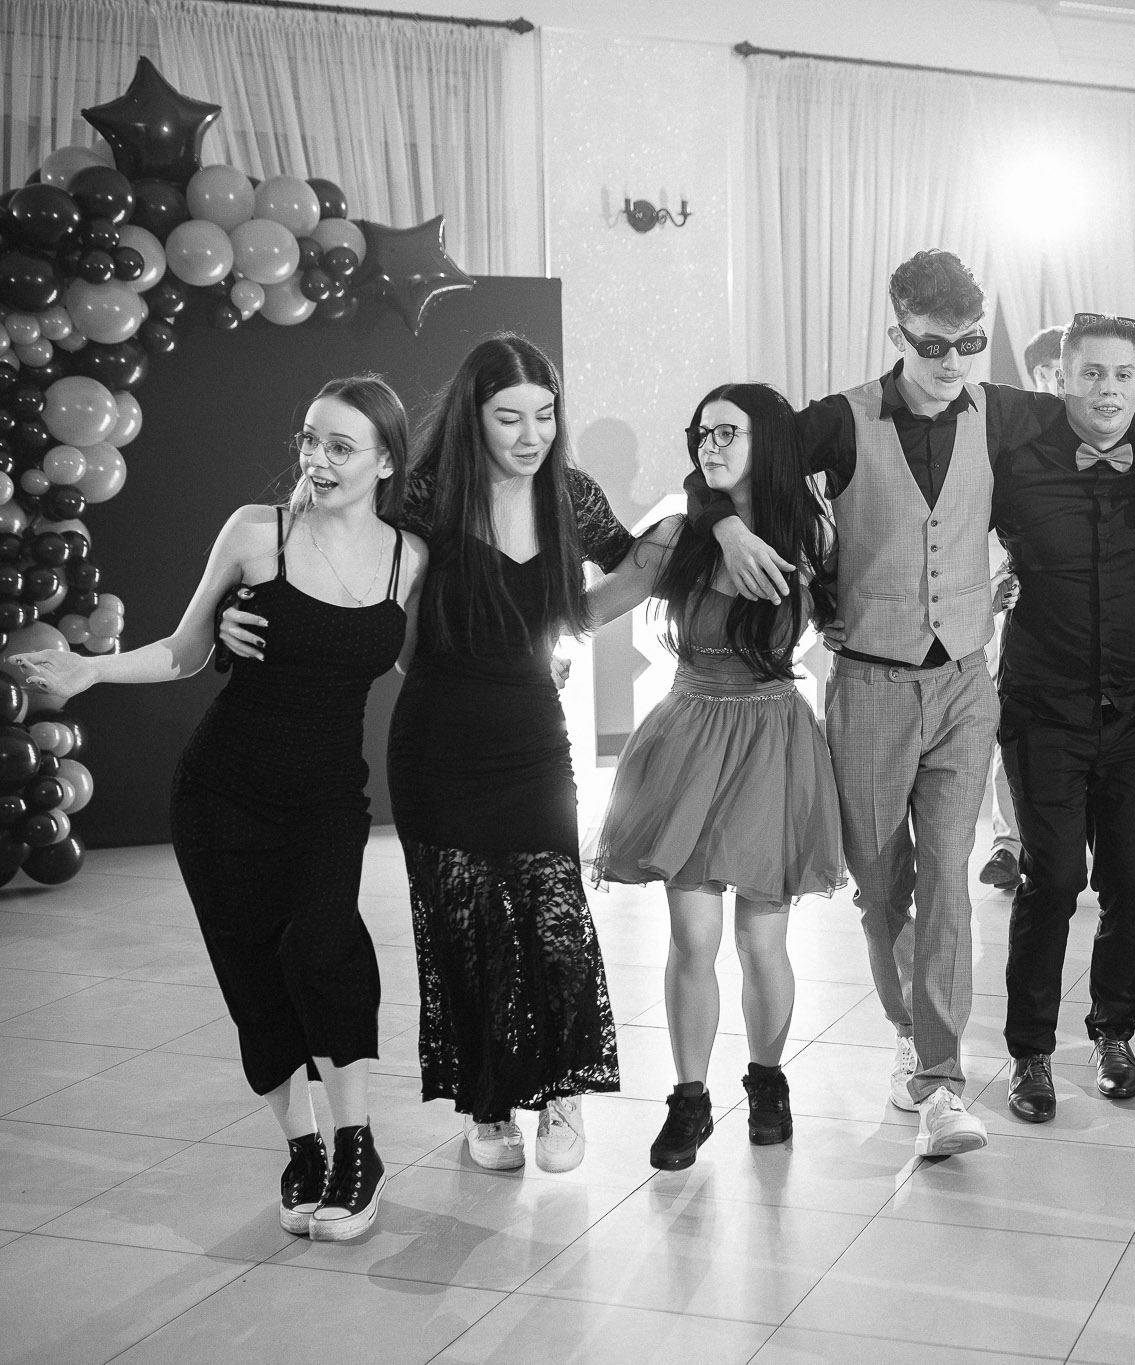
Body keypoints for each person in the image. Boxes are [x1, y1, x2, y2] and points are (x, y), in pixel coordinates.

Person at [688, 253, 1135, 1159]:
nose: (953, 361)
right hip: (870, 685)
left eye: (969, 342)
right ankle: (907, 1034)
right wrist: (719, 519)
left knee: (947, 880)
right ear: (897, 334)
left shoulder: (1002, 410)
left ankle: (942, 1082)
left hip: (964, 683)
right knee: (883, 889)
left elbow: (1104, 410)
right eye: (933, 345)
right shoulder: (841, 420)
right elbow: (727, 448)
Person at [15, 376, 426, 1241]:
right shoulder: (255, 532)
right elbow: (185, 648)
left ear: (386, 461)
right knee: (252, 974)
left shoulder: (409, 558)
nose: (316, 459)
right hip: (222, 792)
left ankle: (358, 1147)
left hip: (326, 795)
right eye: (309, 439)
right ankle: (304, 1149)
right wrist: (91, 670)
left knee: (323, 947)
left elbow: (420, 665)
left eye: (340, 446)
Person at [224, 336, 636, 1176]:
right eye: (510, 417)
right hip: (436, 743)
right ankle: (490, 1106)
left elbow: (638, 564)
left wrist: (561, 619)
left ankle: (562, 1090)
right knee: (466, 931)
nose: (531, 435)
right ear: (473, 416)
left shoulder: (571, 495)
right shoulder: (426, 493)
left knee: (554, 916)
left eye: (546, 415)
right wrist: (239, 605)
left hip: (532, 739)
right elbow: (332, 545)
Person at [587, 383, 841, 1170]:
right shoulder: (677, 535)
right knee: (693, 938)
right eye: (702, 432)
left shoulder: (811, 534)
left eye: (728, 432)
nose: (710, 444)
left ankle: (767, 1084)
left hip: (772, 739)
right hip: (690, 737)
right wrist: (483, 599)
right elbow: (590, 605)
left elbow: (858, 613)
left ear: (769, 441)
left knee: (763, 940)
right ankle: (689, 1099)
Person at [995, 311, 1135, 1121]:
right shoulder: (1017, 460)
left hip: (1134, 711)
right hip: (1042, 708)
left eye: (1123, 375)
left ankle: (1114, 1032)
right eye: (1091, 374)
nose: (1108, 390)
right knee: (1052, 881)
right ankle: (1031, 1053)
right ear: (1062, 377)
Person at [978, 324, 1069, 892]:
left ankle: (1058, 842)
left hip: (1073, 615)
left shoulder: (1102, 437)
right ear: (1037, 374)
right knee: (1010, 721)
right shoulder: (1013, 439)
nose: (1066, 384)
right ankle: (1007, 844)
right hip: (1013, 607)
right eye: (1058, 372)